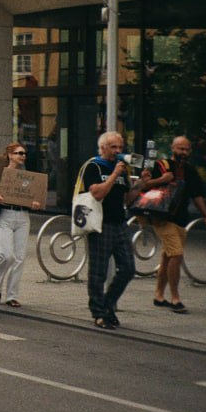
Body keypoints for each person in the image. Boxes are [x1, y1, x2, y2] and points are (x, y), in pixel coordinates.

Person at [143, 135, 206, 314]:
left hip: (181, 218)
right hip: (162, 218)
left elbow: (197, 195)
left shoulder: (190, 170)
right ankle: (175, 298)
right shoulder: (161, 166)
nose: (183, 152)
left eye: (186, 149)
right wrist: (162, 180)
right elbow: (142, 186)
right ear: (172, 148)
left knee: (167, 257)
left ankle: (159, 295)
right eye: (180, 148)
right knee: (176, 254)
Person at [83, 132, 142, 330]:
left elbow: (127, 200)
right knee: (98, 271)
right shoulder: (94, 166)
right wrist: (115, 174)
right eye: (114, 147)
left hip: (120, 224)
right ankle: (98, 313)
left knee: (128, 268)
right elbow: (97, 193)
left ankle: (108, 304)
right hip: (101, 224)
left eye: (120, 147)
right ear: (103, 148)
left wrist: (141, 185)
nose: (118, 151)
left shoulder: (122, 169)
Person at [0, 143, 42, 308]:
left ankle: (12, 295)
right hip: (6, 214)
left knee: (19, 257)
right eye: (19, 153)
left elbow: (35, 194)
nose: (22, 156)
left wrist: (35, 203)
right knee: (6, 255)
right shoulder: (1, 173)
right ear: (10, 155)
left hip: (23, 216)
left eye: (24, 154)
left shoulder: (27, 176)